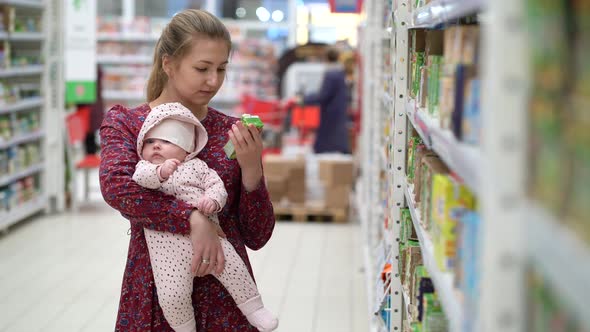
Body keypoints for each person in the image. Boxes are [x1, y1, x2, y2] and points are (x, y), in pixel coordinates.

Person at [99, 9, 276, 331]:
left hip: (226, 295)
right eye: (202, 68)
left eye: (221, 69)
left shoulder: (231, 132)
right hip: (157, 287)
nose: (213, 80)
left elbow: (257, 235)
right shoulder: (128, 123)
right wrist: (192, 219)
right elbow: (118, 189)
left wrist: (252, 173)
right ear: (169, 64)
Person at [132, 102, 278, 332]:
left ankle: (255, 308)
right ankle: (184, 327)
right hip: (166, 248)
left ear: (188, 149)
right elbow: (138, 182)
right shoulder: (145, 167)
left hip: (215, 240)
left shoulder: (198, 167)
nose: (157, 146)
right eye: (150, 142)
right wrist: (160, 172)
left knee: (234, 269)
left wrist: (213, 201)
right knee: (171, 294)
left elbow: (215, 186)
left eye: (168, 141)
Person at [300, 47, 351, 154]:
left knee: (326, 142)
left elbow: (322, 96)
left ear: (326, 58)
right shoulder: (340, 72)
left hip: (330, 115)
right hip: (337, 113)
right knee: (336, 139)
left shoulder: (331, 74)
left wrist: (304, 99)